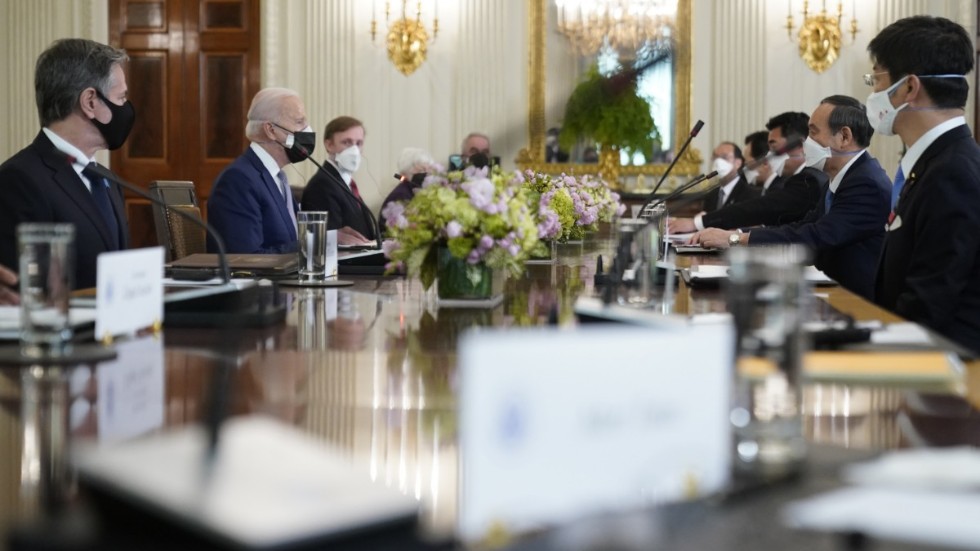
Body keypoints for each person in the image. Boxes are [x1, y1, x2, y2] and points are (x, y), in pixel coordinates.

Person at [692, 95, 891, 300]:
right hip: (829, 294)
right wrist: (738, 234)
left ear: (844, 137)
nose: (807, 142)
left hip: (857, 303)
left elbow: (816, 236)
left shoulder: (866, 183)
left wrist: (736, 239)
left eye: (813, 132)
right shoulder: (842, 177)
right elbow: (801, 226)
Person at [865, 16, 980, 354]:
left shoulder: (953, 172)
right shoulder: (937, 162)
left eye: (876, 79)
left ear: (909, 88)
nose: (872, 92)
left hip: (946, 379)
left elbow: (929, 300)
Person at [0, 38, 132, 290]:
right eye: (121, 98)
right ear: (91, 102)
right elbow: (24, 290)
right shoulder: (18, 180)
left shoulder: (106, 180)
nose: (125, 108)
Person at [668, 112, 826, 233]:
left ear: (799, 146)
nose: (768, 156)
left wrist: (698, 223)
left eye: (773, 146)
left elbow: (760, 208)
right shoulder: (801, 178)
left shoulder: (809, 180)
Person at [207, 87, 312, 254]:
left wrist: (331, 240)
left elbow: (292, 239)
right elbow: (245, 257)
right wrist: (315, 244)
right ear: (271, 130)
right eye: (299, 122)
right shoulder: (238, 180)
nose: (307, 130)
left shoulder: (278, 177)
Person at [300, 116, 376, 245]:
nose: (354, 150)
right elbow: (330, 241)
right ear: (329, 145)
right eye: (347, 142)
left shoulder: (346, 183)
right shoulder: (322, 186)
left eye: (359, 143)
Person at [379, 147, 436, 233]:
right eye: (422, 170)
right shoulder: (400, 195)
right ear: (405, 174)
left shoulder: (422, 192)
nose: (427, 174)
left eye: (429, 169)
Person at [699, 141, 759, 213]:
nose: (718, 162)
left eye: (724, 157)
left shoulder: (751, 194)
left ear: (738, 163)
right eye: (715, 157)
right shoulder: (710, 196)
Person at [742, 130, 782, 195]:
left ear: (764, 163)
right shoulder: (767, 189)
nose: (745, 169)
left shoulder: (777, 194)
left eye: (747, 164)